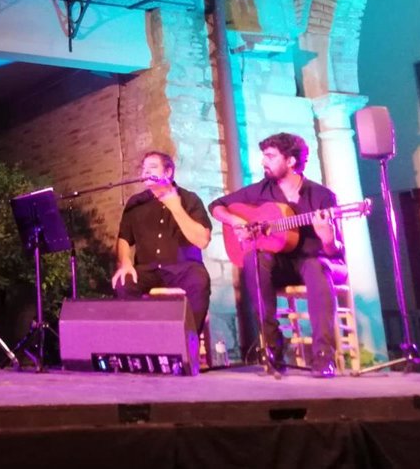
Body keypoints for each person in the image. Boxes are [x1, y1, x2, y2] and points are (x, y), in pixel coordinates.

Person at [209, 132, 344, 378]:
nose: (264, 162)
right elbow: (216, 206)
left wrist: (327, 238)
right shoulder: (261, 190)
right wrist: (236, 221)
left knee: (318, 267)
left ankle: (324, 356)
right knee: (253, 257)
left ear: (290, 161)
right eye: (264, 156)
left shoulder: (321, 196)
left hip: (311, 261)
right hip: (279, 265)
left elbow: (334, 251)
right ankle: (272, 348)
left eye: (270, 156)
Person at [111, 151, 213, 342]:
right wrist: (125, 262)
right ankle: (141, 343)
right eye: (144, 168)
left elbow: (202, 240)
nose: (146, 172)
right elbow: (124, 238)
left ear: (168, 172)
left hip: (183, 268)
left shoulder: (189, 199)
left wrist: (175, 207)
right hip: (147, 270)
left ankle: (187, 343)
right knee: (124, 282)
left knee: (199, 281)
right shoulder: (136, 203)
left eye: (152, 167)